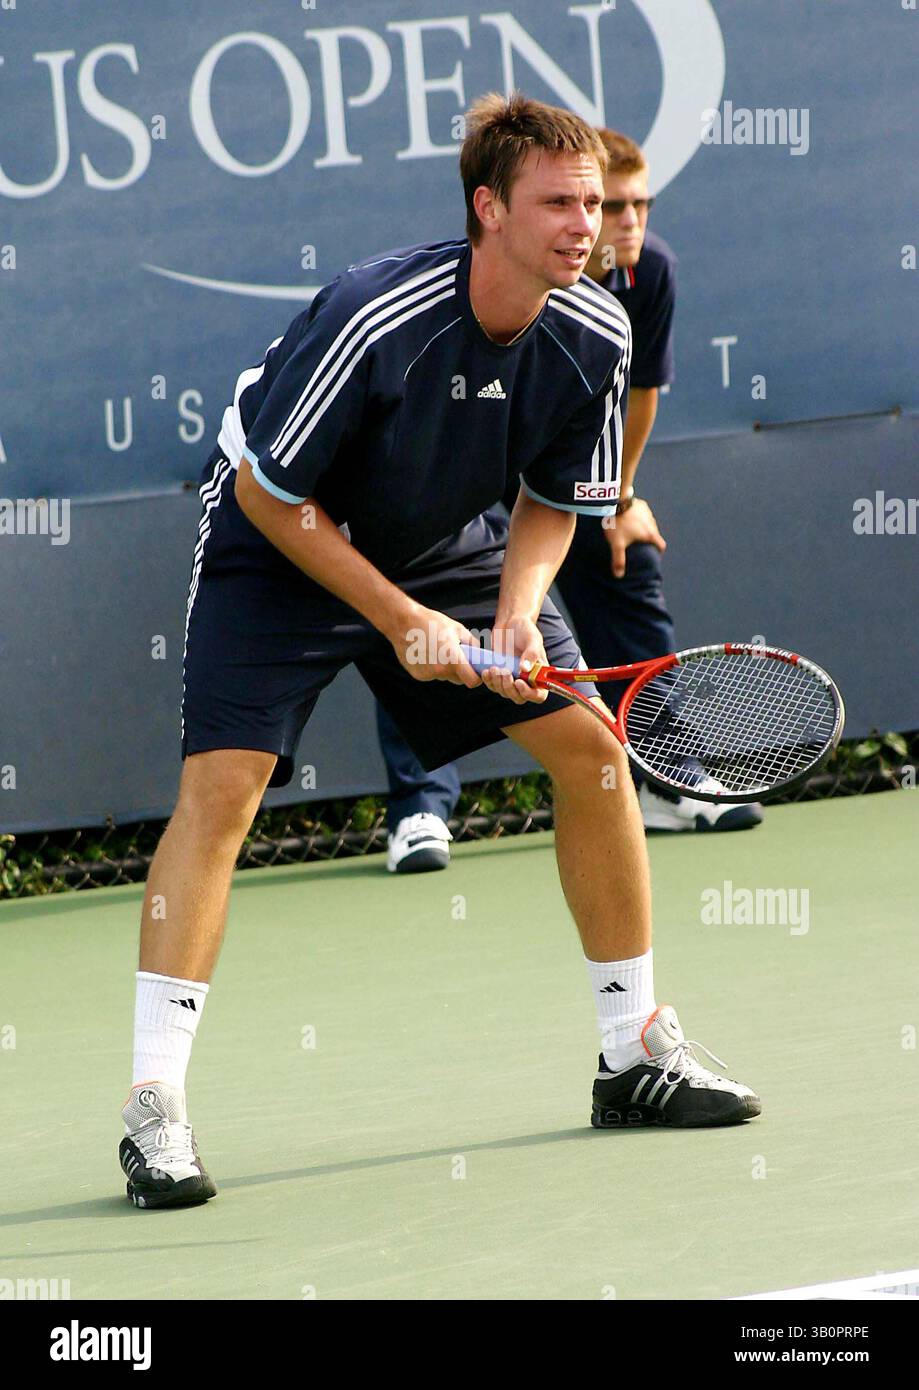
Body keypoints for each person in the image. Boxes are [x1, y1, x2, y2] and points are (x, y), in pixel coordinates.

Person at [120, 93, 760, 1212]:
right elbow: (273, 494)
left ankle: (632, 1050)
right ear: (487, 209)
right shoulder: (377, 315)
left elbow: (556, 499)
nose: (588, 225)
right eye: (559, 204)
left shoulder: (595, 329)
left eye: (599, 204)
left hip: (446, 539)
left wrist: (516, 610)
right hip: (283, 537)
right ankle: (154, 1106)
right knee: (223, 793)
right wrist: (398, 618)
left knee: (595, 756)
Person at [380, 126, 762, 874]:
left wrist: (618, 498)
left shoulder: (647, 273)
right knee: (421, 596)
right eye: (604, 205)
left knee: (627, 558)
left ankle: (666, 775)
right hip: (458, 478)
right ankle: (419, 808)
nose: (621, 224)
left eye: (634, 206)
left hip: (556, 475)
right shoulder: (488, 279)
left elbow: (639, 395)